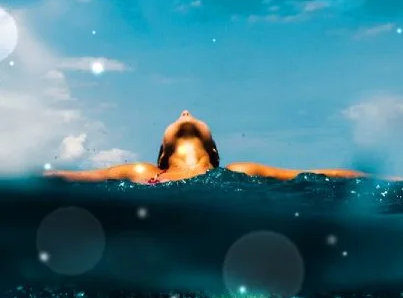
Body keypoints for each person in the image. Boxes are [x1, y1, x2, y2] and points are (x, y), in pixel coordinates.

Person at [44, 110, 401, 183]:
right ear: (162, 154)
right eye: (179, 117)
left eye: (192, 116)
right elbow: (70, 177)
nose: (185, 111)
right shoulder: (143, 172)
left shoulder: (239, 172)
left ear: (214, 151)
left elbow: (317, 175)